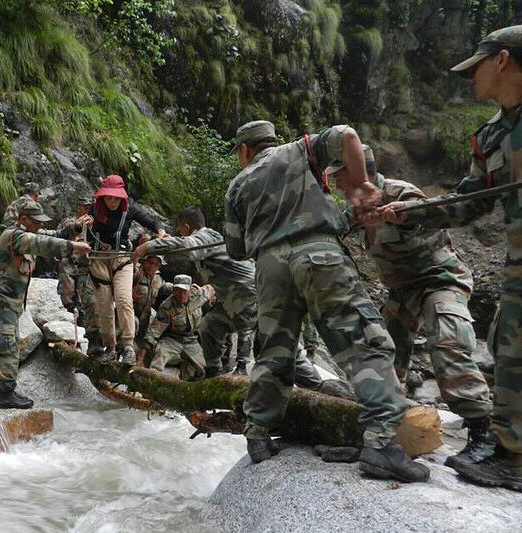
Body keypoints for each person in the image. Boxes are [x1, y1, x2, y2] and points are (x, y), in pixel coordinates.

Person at [224, 119, 429, 483]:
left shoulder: (237, 184)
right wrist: (364, 185)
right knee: (362, 341)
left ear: (244, 151)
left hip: (269, 268)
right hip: (319, 256)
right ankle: (381, 443)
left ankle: (257, 435)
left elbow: (236, 250)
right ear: (271, 140)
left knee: (274, 351)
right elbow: (348, 134)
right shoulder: (301, 149)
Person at [373, 26, 522, 492]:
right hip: (517, 262)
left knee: (459, 343)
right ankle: (506, 448)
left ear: (501, 61)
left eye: (475, 66)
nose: (468, 78)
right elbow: (469, 202)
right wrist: (412, 215)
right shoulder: (495, 135)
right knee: (508, 348)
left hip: (441, 281)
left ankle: (497, 442)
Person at [337, 145, 493, 465]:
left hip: (440, 281)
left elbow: (427, 211)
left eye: (338, 177)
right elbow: (330, 229)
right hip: (401, 293)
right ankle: (390, 427)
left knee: (447, 342)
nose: (335, 185)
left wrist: (406, 214)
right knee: (380, 354)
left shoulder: (399, 192)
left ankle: (482, 433)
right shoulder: (353, 208)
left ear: (357, 175)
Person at [0, 199, 92, 409]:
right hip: (0, 298)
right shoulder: (13, 236)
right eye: (36, 221)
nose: (39, 225)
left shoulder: (30, 233)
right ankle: (5, 394)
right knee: (5, 343)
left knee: (11, 342)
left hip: (11, 301)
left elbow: (54, 235)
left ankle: (7, 390)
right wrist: (73, 247)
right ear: (23, 219)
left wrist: (76, 227)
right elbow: (45, 244)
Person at [133, 206, 260, 378]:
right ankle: (215, 371)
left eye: (179, 229)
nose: (179, 232)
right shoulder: (168, 304)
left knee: (245, 325)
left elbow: (188, 246)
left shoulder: (207, 236)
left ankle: (242, 368)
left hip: (245, 290)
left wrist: (149, 246)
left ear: (186, 226)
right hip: (229, 293)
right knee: (210, 326)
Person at [88, 175, 167, 365]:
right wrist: (80, 224)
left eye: (115, 197)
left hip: (122, 259)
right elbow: (82, 224)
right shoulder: (95, 208)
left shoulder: (129, 209)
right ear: (103, 197)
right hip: (99, 260)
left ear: (121, 197)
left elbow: (150, 221)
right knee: (105, 305)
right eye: (108, 197)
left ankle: (129, 346)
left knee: (124, 300)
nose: (112, 201)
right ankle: (111, 347)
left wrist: (161, 231)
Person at [140, 275, 214, 380]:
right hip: (172, 339)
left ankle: (184, 382)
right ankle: (150, 385)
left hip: (191, 340)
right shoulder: (166, 307)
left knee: (204, 369)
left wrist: (214, 298)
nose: (181, 294)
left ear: (190, 290)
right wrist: (141, 356)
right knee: (159, 358)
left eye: (184, 291)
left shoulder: (199, 294)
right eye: (178, 290)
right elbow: (154, 331)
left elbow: (215, 287)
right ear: (173, 290)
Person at [56, 192, 100, 354]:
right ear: (79, 207)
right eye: (85, 206)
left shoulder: (95, 224)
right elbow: (62, 235)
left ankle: (81, 316)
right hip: (68, 260)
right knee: (67, 288)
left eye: (90, 207)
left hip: (85, 264)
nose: (88, 209)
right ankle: (69, 308)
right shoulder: (70, 221)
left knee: (84, 292)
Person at [132, 254, 171, 347]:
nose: (152, 266)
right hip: (131, 312)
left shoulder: (158, 278)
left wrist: (174, 288)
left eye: (156, 264)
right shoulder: (135, 272)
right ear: (144, 261)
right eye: (150, 263)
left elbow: (162, 288)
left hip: (146, 315)